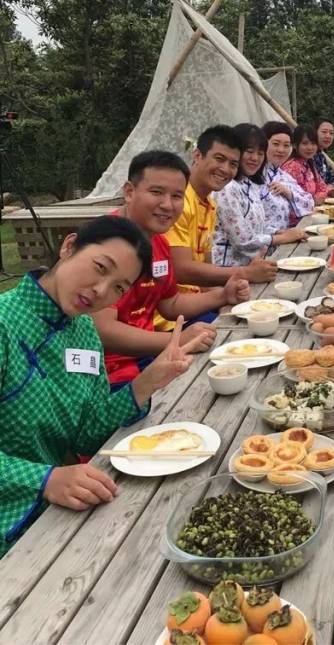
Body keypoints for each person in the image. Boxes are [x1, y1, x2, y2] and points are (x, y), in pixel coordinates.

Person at [0, 215, 204, 558]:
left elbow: (87, 435)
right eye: (99, 267)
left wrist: (147, 381)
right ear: (68, 247)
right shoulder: (5, 322)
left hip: (55, 513)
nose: (100, 290)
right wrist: (45, 479)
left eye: (119, 288)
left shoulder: (84, 332)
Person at [93, 151, 250, 389]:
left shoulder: (158, 242)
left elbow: (169, 305)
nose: (167, 205)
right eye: (156, 192)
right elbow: (103, 331)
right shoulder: (102, 243)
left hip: (148, 357)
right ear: (129, 192)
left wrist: (223, 295)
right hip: (106, 373)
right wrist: (175, 340)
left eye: (177, 196)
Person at [160, 125, 277, 313]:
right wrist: (245, 273)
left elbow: (205, 268)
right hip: (171, 314)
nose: (225, 169)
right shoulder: (177, 201)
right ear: (197, 155)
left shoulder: (209, 203)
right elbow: (181, 270)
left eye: (233, 164)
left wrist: (225, 297)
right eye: (219, 159)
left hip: (197, 302)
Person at [213, 124, 307, 267]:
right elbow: (243, 241)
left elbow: (256, 227)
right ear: (236, 152)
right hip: (228, 270)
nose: (255, 158)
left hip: (253, 264)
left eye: (260, 153)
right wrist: (282, 238)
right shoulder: (227, 188)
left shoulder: (250, 185)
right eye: (249, 152)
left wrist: (280, 231)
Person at [262, 121, 314, 229]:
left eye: (286, 145)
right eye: (276, 144)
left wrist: (289, 193)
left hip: (284, 238)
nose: (281, 150)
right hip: (267, 242)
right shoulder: (255, 175)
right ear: (263, 144)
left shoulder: (284, 176)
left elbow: (309, 203)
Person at [282, 125, 329, 220]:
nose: (310, 147)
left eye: (313, 143)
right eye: (305, 143)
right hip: (297, 221)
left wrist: (314, 199)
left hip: (311, 213)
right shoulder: (292, 167)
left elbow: (323, 187)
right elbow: (294, 200)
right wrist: (314, 200)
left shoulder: (308, 163)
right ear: (295, 145)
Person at [314, 117, 334, 185]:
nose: (328, 136)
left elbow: (332, 179)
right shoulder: (309, 156)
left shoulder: (322, 157)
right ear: (315, 132)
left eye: (331, 133)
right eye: (324, 132)